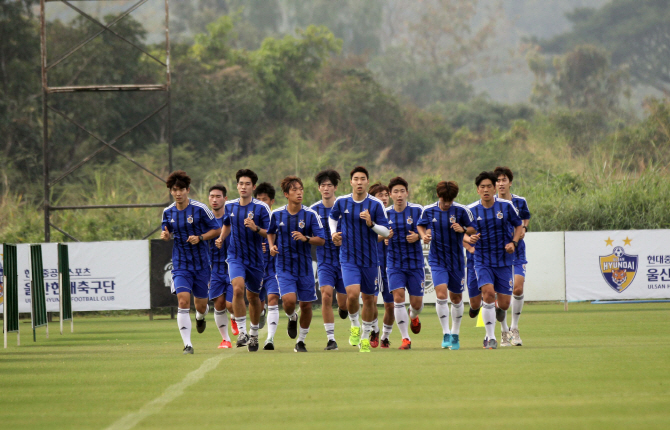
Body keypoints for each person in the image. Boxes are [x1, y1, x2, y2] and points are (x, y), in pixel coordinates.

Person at [329, 166, 390, 353]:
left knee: (369, 300)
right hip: (348, 257)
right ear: (351, 182)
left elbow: (386, 231)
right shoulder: (342, 202)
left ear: (367, 182)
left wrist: (371, 223)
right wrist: (333, 234)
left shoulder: (376, 205)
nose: (359, 182)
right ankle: (354, 325)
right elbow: (332, 218)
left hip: (371, 259)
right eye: (356, 179)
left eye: (363, 179)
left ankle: (365, 337)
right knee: (353, 294)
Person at [161, 170, 221, 354]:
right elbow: (167, 230)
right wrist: (165, 235)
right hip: (180, 264)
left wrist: (201, 237)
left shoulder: (200, 209)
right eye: (174, 190)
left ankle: (201, 316)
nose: (178, 193)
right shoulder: (168, 211)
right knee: (183, 300)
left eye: (181, 189)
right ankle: (188, 344)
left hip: (202, 264)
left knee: (201, 305)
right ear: (171, 191)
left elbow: (217, 230)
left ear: (188, 190)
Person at [267, 176, 325, 352]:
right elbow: (270, 233)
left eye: (301, 189)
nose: (299, 192)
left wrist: (306, 238)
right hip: (284, 266)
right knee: (289, 300)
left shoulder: (310, 215)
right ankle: (292, 317)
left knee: (306, 305)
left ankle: (301, 341)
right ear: (286, 194)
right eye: (294, 190)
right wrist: (271, 246)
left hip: (305, 267)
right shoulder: (277, 214)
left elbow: (321, 240)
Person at [215, 169, 271, 352]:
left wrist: (255, 228)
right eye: (241, 183)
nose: (243, 187)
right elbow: (226, 224)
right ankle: (242, 332)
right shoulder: (230, 206)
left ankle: (254, 334)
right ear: (237, 186)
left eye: (247, 184)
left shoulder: (261, 208)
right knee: (237, 289)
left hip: (256, 260)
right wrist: (222, 238)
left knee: (253, 297)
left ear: (253, 187)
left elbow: (270, 233)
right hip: (235, 257)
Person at [467, 171, 523, 349]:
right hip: (482, 259)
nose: (485, 190)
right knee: (489, 294)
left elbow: (519, 225)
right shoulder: (470, 210)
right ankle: (490, 337)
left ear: (494, 188)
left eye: (489, 186)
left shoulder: (506, 206)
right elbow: (461, 232)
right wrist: (469, 241)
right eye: (482, 187)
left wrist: (513, 243)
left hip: (504, 260)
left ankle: (499, 312)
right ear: (477, 190)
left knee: (505, 304)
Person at [418, 181, 477, 350]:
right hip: (437, 260)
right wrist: (423, 236)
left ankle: (455, 333)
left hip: (457, 261)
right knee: (441, 294)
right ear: (439, 196)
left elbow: (473, 229)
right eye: (445, 200)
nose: (447, 204)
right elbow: (420, 225)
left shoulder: (461, 210)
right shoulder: (428, 210)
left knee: (456, 298)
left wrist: (463, 229)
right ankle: (446, 333)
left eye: (450, 201)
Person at [384, 177, 425, 350]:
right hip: (394, 263)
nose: (399, 195)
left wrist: (418, 236)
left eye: (402, 191)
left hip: (415, 264)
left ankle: (413, 316)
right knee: (398, 297)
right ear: (390, 194)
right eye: (395, 191)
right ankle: (405, 338)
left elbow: (428, 230)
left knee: (416, 304)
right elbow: (376, 235)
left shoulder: (418, 210)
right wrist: (385, 237)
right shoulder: (385, 213)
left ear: (407, 192)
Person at [310, 169, 349, 351]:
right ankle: (331, 339)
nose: (326, 188)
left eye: (329, 185)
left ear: (335, 187)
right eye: (323, 185)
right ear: (319, 188)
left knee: (343, 303)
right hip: (324, 260)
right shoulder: (313, 210)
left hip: (345, 260)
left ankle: (343, 308)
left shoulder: (344, 206)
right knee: (325, 296)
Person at [494, 166, 531, 347]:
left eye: (504, 180)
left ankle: (514, 329)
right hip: (497, 254)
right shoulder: (489, 203)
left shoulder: (520, 202)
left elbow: (525, 219)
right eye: (498, 181)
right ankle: (503, 330)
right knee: (502, 296)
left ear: (510, 182)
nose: (501, 184)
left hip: (517, 251)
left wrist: (523, 229)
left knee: (517, 289)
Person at [368, 182, 396, 348]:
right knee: (371, 301)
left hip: (392, 265)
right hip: (374, 263)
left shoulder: (395, 214)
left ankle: (385, 336)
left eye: (386, 195)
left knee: (391, 305)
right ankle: (374, 330)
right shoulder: (368, 216)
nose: (384, 198)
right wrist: (381, 236)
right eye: (381, 195)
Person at [253, 183, 279, 350]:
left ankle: (269, 339)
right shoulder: (250, 218)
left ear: (272, 202)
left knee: (273, 299)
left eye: (265, 200)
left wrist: (273, 247)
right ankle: (260, 314)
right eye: (259, 199)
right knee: (257, 303)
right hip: (255, 268)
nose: (262, 203)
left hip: (274, 268)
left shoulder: (278, 217)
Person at [207, 184, 234, 349]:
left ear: (225, 198)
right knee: (218, 303)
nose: (215, 199)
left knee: (231, 304)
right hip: (214, 267)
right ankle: (226, 340)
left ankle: (234, 318)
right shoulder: (205, 220)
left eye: (218, 196)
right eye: (212, 196)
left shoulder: (232, 217)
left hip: (232, 264)